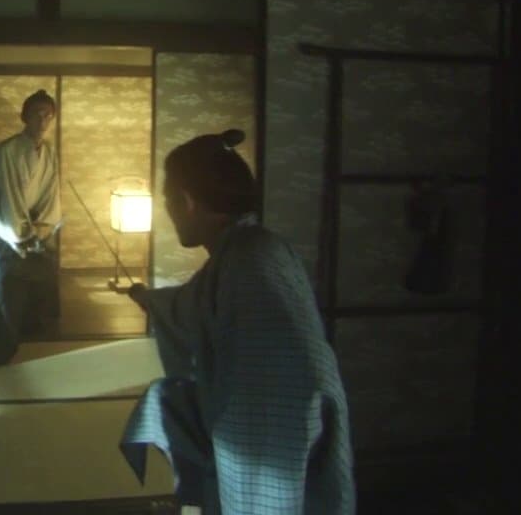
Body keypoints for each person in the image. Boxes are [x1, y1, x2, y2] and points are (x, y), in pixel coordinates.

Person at [119, 130, 354, 515]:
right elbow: (189, 304)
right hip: (306, 404)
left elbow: (192, 310)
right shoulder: (257, 246)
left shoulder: (244, 258)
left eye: (168, 201)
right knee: (165, 400)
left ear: (186, 202)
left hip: (272, 411)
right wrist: (145, 297)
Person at [0, 89, 62, 367]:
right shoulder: (7, 150)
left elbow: (50, 194)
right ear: (24, 116)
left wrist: (42, 228)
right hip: (0, 223)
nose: (42, 120)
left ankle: (22, 334)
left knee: (42, 267)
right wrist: (21, 234)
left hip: (29, 223)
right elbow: (7, 196)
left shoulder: (49, 152)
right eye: (36, 114)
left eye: (48, 115)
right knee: (1, 275)